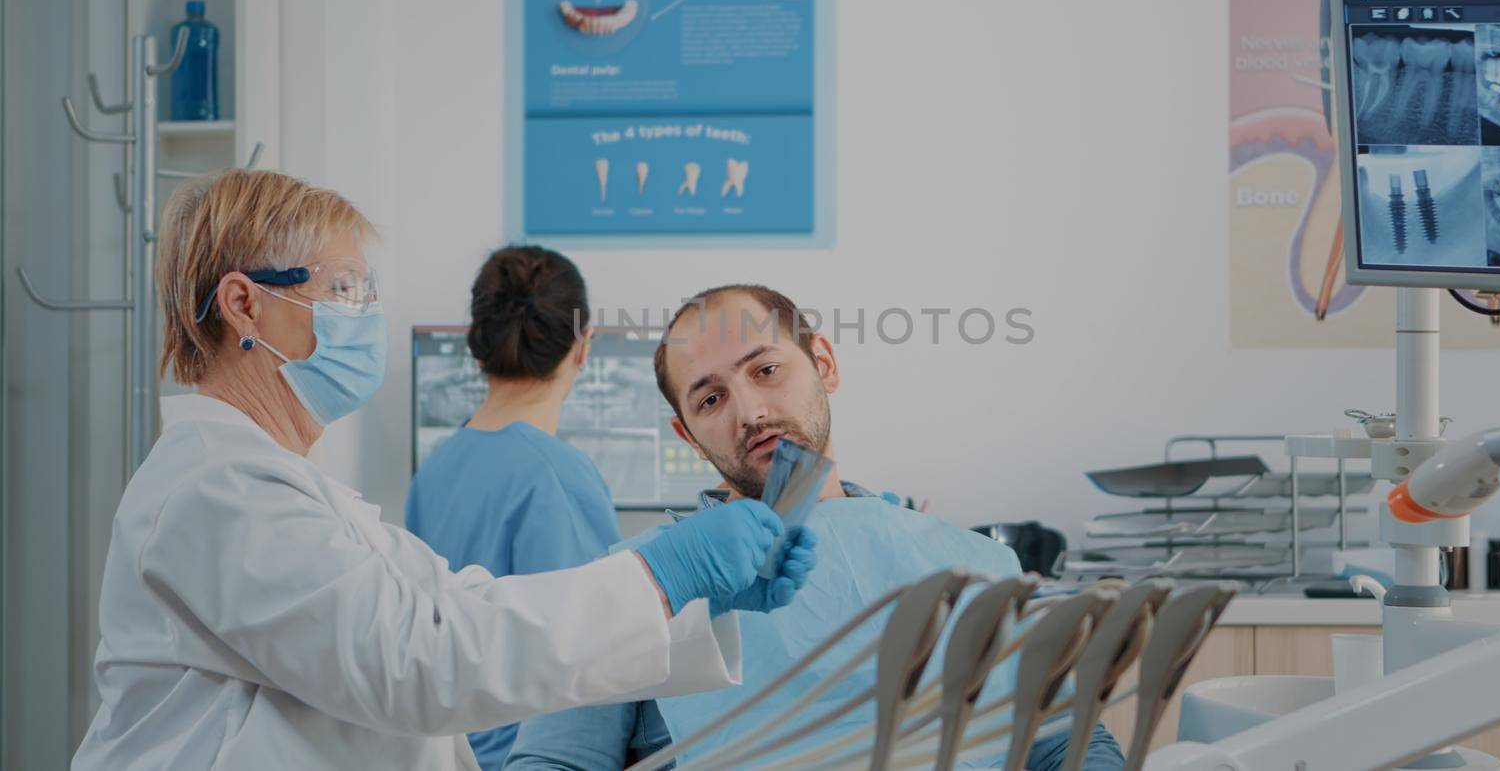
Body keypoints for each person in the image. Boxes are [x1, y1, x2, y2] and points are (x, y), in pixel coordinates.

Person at [72, 172, 818, 771]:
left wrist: (692, 606)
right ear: (244, 304)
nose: (365, 315)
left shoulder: (298, 492)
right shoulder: (215, 492)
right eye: (343, 289)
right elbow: (420, 661)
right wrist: (663, 573)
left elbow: (460, 608)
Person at [503, 285, 1125, 770]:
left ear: (823, 362)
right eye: (711, 399)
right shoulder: (636, 583)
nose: (752, 412)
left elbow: (1065, 740)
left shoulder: (971, 563)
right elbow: (553, 760)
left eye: (766, 370)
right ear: (688, 436)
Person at [406, 245, 625, 771]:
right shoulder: (559, 477)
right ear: (583, 347)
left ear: (476, 343)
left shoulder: (432, 472)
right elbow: (594, 662)